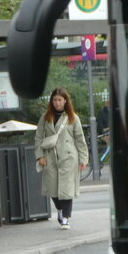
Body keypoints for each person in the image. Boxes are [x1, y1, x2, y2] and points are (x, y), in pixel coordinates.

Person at [35, 87, 89, 229]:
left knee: (67, 189)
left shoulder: (72, 118)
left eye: (59, 100)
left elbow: (80, 139)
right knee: (52, 188)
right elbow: (39, 137)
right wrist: (39, 155)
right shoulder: (45, 118)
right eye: (54, 100)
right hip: (50, 157)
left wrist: (83, 159)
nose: (57, 103)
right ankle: (59, 210)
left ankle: (66, 218)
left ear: (65, 101)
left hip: (68, 157)